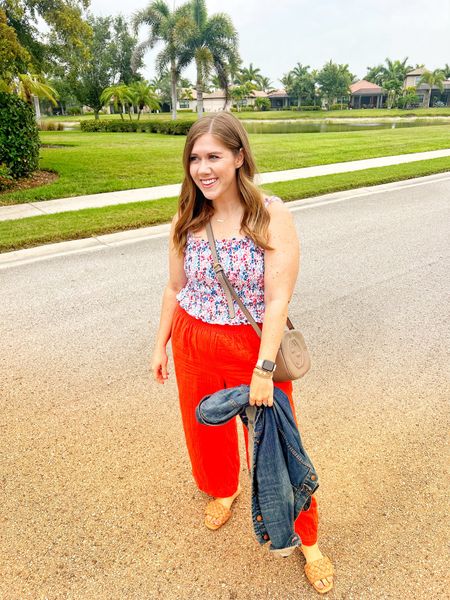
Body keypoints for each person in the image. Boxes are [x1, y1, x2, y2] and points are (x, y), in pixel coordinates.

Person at [151, 112, 334, 594]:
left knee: (277, 442)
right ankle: (224, 489)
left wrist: (264, 367)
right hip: (193, 340)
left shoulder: (270, 214)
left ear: (238, 157)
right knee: (204, 430)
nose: (202, 168)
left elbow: (277, 299)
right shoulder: (186, 219)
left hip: (252, 347)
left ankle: (308, 539)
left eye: (213, 156)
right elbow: (175, 288)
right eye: (195, 157)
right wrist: (161, 344)